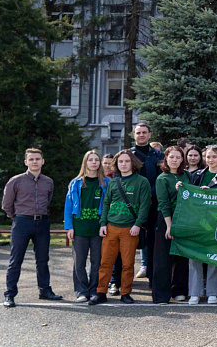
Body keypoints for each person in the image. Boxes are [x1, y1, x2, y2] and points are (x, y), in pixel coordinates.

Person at [2, 148, 58, 307]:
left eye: (37, 159)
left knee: (43, 259)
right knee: (16, 260)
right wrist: (18, 217)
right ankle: (10, 294)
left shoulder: (48, 182)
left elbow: (48, 199)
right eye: (31, 159)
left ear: (42, 161)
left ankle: (45, 290)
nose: (35, 161)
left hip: (42, 223)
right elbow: (6, 205)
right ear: (26, 162)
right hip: (22, 223)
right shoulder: (16, 181)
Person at [94, 150, 151, 305]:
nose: (124, 164)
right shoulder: (113, 182)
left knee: (127, 264)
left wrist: (138, 224)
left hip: (130, 229)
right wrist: (103, 224)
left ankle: (126, 292)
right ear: (116, 164)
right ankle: (100, 292)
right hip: (111, 227)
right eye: (121, 162)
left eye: (127, 161)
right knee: (105, 262)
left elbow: (145, 205)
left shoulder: (141, 182)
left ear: (133, 163)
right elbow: (106, 204)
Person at [185, 145, 217, 304]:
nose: (210, 160)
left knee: (214, 257)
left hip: (216, 223)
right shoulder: (196, 175)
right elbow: (189, 194)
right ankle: (195, 292)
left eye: (214, 157)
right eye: (208, 157)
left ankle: (213, 292)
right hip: (197, 222)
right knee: (195, 257)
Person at [64, 150, 109, 303]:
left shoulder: (106, 183)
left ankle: (95, 290)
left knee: (97, 262)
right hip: (79, 228)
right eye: (90, 160)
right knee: (79, 262)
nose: (94, 162)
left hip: (98, 229)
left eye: (97, 160)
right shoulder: (76, 182)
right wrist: (69, 227)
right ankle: (81, 291)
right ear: (85, 163)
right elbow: (68, 206)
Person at [152, 146, 190, 304]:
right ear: (166, 159)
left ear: (182, 160)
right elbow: (163, 203)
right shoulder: (162, 178)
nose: (174, 160)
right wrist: (169, 226)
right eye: (171, 157)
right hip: (166, 219)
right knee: (163, 259)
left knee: (182, 257)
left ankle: (179, 290)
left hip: (184, 219)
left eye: (178, 157)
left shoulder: (187, 175)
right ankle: (161, 295)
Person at [129, 123, 165, 282]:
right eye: (138, 132)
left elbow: (162, 180)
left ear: (150, 135)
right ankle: (120, 281)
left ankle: (152, 277)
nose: (141, 135)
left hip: (153, 205)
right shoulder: (127, 155)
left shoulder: (159, 156)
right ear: (134, 135)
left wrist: (149, 195)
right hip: (131, 206)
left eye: (144, 132)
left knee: (151, 244)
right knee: (126, 245)